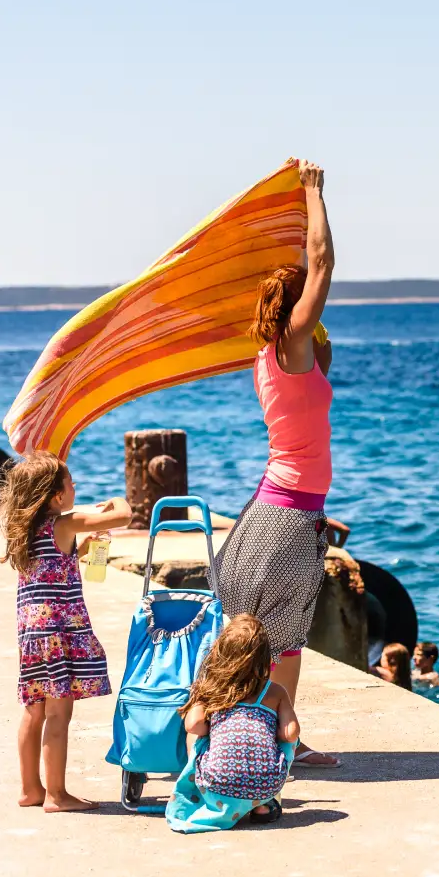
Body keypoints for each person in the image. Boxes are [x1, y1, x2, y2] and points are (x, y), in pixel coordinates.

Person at [214, 158, 341, 769]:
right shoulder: (288, 346)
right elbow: (322, 262)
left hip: (282, 508)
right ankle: (275, 735)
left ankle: (274, 732)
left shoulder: (278, 357)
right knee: (282, 635)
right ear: (296, 311)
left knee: (282, 635)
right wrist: (313, 193)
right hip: (287, 514)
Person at [0, 452, 131, 812]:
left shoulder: (27, 529)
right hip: (59, 630)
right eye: (70, 484)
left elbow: (58, 562)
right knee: (58, 713)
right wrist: (114, 502)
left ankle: (30, 790)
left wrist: (85, 548)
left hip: (31, 632)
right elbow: (124, 515)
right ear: (56, 496)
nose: (76, 488)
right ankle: (56, 794)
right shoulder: (64, 521)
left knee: (34, 709)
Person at [167, 614, 300, 832]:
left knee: (199, 735)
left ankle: (202, 793)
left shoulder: (210, 688)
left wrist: (217, 728)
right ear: (266, 658)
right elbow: (291, 734)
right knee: (287, 739)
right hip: (266, 785)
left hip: (217, 785)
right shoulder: (274, 692)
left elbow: (193, 725)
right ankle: (263, 805)